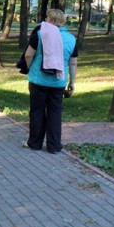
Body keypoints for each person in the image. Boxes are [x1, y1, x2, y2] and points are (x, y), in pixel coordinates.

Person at [24, 9, 78, 154]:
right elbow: (73, 63)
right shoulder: (72, 39)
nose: (45, 21)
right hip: (58, 83)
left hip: (38, 81)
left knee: (37, 111)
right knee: (55, 113)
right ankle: (54, 146)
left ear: (52, 21)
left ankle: (35, 143)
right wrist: (72, 82)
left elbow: (28, 55)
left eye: (47, 18)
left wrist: (29, 69)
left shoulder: (40, 34)